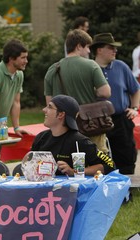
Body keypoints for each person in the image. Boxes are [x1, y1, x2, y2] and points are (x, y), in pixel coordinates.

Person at [44, 29, 111, 153]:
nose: (89, 51)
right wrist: (93, 91)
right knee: (100, 159)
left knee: (69, 161)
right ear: (79, 46)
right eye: (87, 47)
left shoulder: (52, 69)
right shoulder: (91, 65)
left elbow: (50, 104)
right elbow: (105, 92)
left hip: (64, 129)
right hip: (90, 125)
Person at [91, 33, 140, 174]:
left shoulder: (121, 67)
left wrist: (134, 108)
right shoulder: (89, 68)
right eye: (110, 47)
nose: (115, 51)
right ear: (99, 50)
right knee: (100, 157)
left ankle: (128, 190)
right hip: (97, 122)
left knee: (126, 155)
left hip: (120, 119)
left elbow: (136, 89)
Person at [31, 95, 115, 176]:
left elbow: (110, 165)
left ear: (61, 114)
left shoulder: (80, 142)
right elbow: (29, 164)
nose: (44, 110)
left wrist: (74, 171)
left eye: (49, 107)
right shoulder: (41, 138)